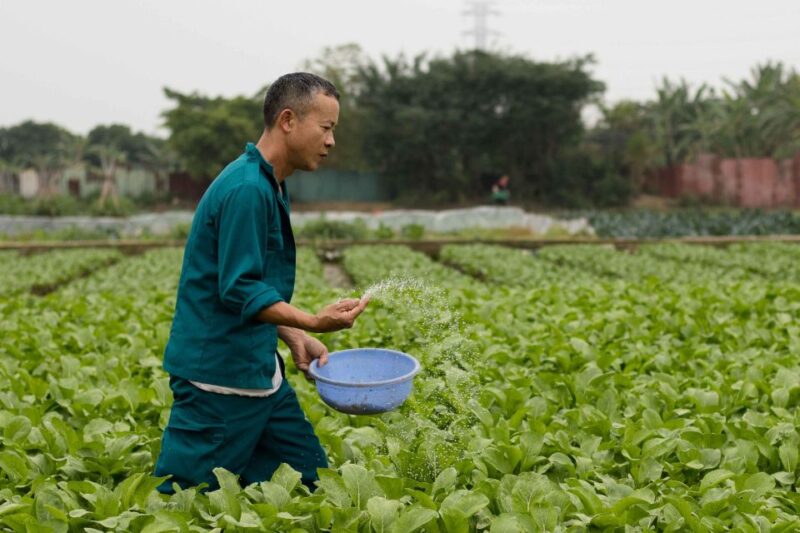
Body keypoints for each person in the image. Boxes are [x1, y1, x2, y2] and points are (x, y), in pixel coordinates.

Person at [154, 73, 369, 493]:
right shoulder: (247, 189)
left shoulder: (270, 183)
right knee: (185, 504)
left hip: (260, 376)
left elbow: (256, 286)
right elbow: (239, 289)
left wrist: (292, 336)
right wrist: (312, 321)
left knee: (312, 483)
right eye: (326, 129)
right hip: (219, 383)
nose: (331, 142)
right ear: (288, 120)